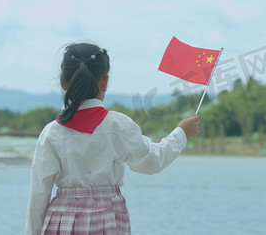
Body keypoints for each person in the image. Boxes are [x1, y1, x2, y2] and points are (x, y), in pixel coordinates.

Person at [25, 43, 199, 235]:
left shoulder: (51, 133)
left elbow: (38, 196)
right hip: (106, 221)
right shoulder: (118, 126)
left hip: (61, 223)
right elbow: (152, 162)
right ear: (105, 81)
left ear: (63, 82)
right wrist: (181, 133)